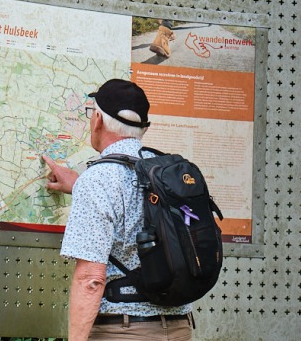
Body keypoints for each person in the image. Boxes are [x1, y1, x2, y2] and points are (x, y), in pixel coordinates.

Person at [44, 79, 194, 341]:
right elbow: (142, 210)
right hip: (180, 327)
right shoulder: (165, 172)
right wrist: (78, 185)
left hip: (124, 331)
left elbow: (90, 280)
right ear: (145, 128)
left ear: (98, 120)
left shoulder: (99, 180)